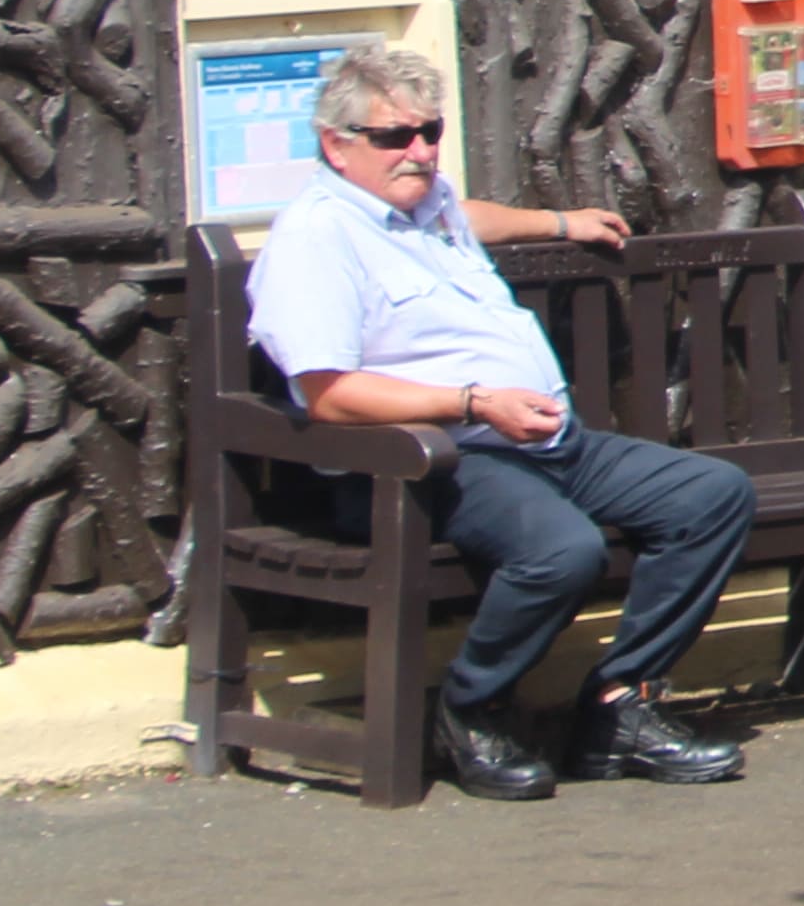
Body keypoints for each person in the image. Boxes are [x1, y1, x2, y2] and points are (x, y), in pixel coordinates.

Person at [246, 43, 753, 799]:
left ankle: (621, 707)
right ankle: (470, 710)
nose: (420, 152)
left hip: (544, 439)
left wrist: (560, 222)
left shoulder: (424, 203)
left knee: (711, 495)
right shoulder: (316, 238)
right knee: (563, 551)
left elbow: (468, 215)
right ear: (336, 145)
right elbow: (329, 395)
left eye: (430, 132)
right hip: (430, 462)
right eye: (395, 137)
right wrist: (473, 402)